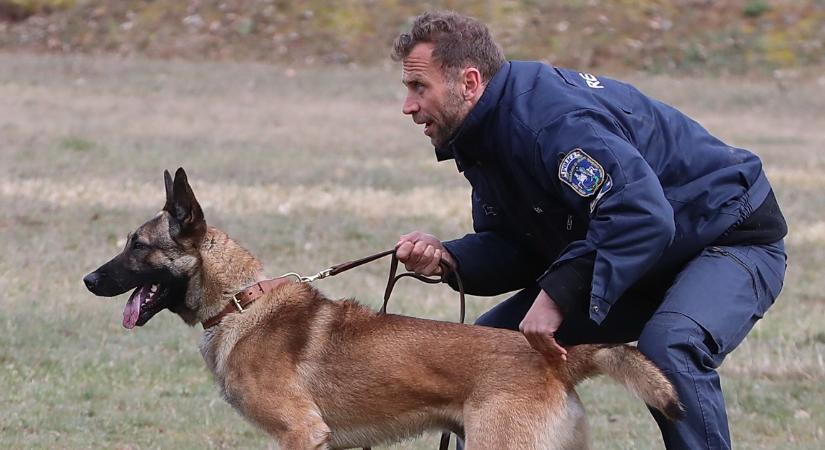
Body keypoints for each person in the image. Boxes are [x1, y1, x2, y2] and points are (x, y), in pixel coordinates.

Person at [391, 10, 787, 450]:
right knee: (492, 350)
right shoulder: (483, 132)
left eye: (418, 87)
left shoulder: (552, 122)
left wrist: (557, 297)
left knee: (671, 346)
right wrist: (449, 258)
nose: (408, 105)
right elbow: (519, 246)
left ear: (468, 82)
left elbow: (641, 216)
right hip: (639, 258)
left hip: (726, 237)